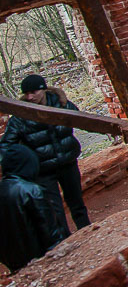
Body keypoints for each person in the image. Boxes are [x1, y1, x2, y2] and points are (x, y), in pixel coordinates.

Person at [0, 74, 89, 236]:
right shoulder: (21, 116)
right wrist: (22, 165)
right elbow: (6, 145)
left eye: (33, 92)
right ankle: (66, 243)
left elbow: (81, 119)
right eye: (26, 94)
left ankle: (88, 233)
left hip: (68, 162)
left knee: (77, 202)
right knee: (55, 211)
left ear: (44, 90)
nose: (30, 97)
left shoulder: (61, 104)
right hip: (43, 170)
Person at [0, 144, 66, 272]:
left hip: (14, 264)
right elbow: (50, 232)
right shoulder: (31, 191)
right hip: (41, 260)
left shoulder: (4, 189)